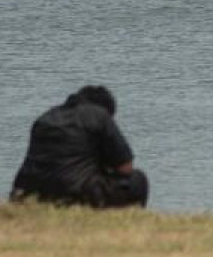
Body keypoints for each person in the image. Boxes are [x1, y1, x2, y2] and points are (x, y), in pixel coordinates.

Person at [10, 85, 149, 209]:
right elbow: (125, 167)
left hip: (27, 195)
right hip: (74, 194)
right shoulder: (99, 115)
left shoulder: (44, 118)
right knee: (137, 180)